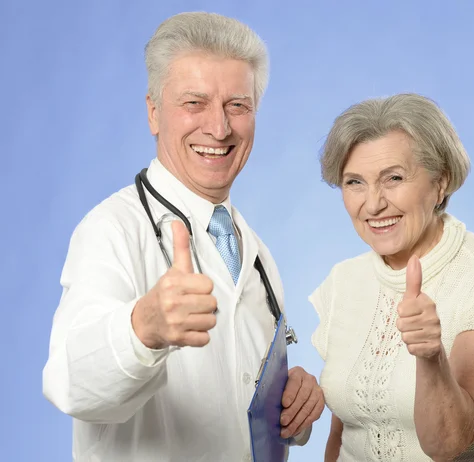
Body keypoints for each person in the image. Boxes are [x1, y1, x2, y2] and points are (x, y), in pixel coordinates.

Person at [42, 11, 324, 462]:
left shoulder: (256, 256)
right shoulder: (112, 229)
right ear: (154, 112)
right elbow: (68, 384)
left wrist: (293, 404)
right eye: (194, 103)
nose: (219, 127)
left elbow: (236, 396)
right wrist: (142, 330)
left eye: (238, 105)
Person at [310, 93, 474, 461]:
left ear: (440, 183)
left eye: (393, 178)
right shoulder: (344, 281)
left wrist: (430, 357)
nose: (374, 203)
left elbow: (448, 442)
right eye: (354, 183)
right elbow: (344, 429)